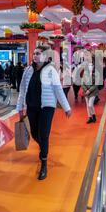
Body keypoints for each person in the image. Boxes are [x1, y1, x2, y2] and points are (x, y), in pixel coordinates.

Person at [17, 45, 72, 181]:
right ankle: (44, 148)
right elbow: (23, 90)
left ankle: (43, 163)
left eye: (38, 53)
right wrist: (20, 107)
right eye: (34, 53)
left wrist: (66, 107)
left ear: (46, 56)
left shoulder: (50, 71)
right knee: (34, 133)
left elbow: (58, 89)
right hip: (32, 107)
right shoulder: (28, 70)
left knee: (44, 134)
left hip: (47, 107)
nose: (35, 55)